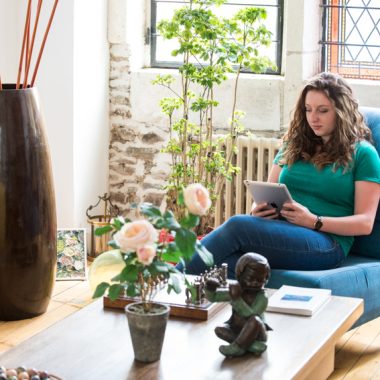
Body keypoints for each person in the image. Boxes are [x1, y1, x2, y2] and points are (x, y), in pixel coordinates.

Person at [178, 72, 380, 278]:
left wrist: (313, 220)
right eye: (308, 110)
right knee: (224, 263)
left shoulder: (364, 154)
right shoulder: (295, 145)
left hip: (326, 242)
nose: (313, 118)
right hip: (280, 229)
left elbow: (365, 223)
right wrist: (257, 210)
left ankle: (167, 283)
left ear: (341, 112)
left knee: (237, 226)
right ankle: (187, 305)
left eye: (323, 111)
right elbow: (267, 193)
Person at [205, 252, 271, 357]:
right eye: (250, 278)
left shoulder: (262, 297)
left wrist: (236, 298)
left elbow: (250, 315)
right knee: (219, 329)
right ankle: (252, 346)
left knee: (255, 320)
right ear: (239, 276)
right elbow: (214, 297)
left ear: (266, 279)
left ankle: (237, 347)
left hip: (257, 333)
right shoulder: (237, 290)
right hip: (237, 330)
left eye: (260, 280)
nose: (255, 283)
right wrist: (210, 288)